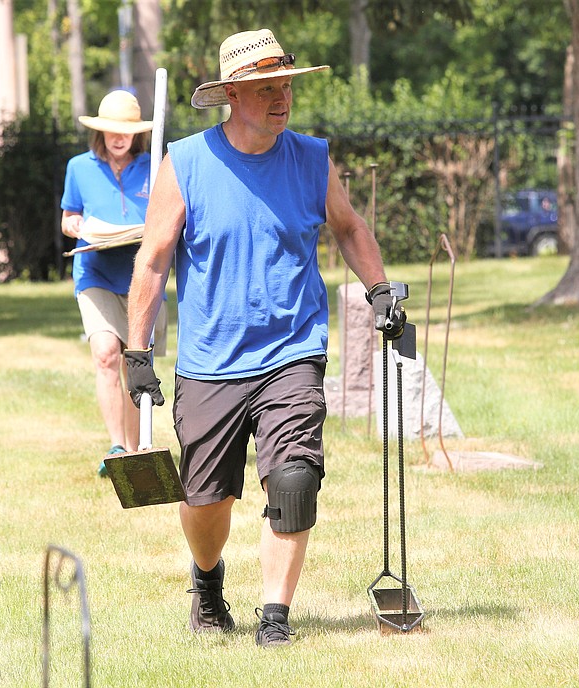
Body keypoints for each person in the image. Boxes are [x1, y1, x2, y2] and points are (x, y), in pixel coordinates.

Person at [121, 29, 405, 647]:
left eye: (286, 86)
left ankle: (274, 617)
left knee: (295, 480)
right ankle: (207, 581)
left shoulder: (310, 158)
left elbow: (350, 228)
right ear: (231, 96)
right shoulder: (186, 164)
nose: (282, 98)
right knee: (206, 501)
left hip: (292, 351)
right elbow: (151, 261)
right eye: (266, 88)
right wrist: (136, 353)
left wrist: (379, 290)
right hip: (209, 360)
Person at [61, 89, 153, 476]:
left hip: (140, 277)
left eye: (127, 131)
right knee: (105, 355)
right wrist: (77, 226)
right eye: (112, 130)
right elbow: (68, 218)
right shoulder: (79, 167)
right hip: (94, 272)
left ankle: (134, 452)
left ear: (137, 133)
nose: (119, 137)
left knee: (135, 364)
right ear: (100, 131)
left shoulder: (154, 165)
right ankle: (116, 446)